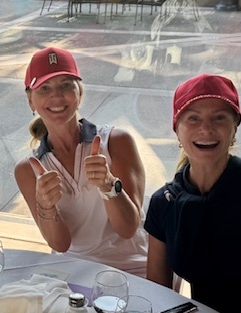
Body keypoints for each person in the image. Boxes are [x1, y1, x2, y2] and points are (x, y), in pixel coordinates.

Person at [145, 73, 241, 313]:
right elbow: (158, 292)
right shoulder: (164, 202)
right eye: (193, 118)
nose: (206, 129)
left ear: (234, 128)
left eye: (219, 118)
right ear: (177, 129)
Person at [14, 47, 148, 277]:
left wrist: (108, 186)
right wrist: (45, 206)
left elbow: (127, 229)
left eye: (66, 85)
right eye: (44, 88)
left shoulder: (116, 141)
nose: (57, 96)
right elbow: (60, 244)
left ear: (79, 94)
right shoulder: (28, 169)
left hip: (132, 270)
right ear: (30, 101)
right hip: (73, 273)